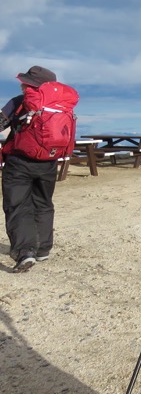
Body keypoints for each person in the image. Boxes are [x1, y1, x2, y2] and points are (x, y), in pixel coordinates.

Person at [1, 66, 60, 273]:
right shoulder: (61, 105)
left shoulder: (20, 101)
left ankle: (26, 252)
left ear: (29, 84)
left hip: (20, 161)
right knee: (43, 203)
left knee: (17, 205)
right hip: (50, 162)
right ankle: (43, 248)